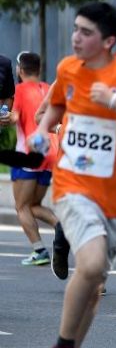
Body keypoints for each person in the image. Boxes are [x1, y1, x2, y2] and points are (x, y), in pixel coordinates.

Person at [29, 1, 116, 348]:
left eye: (85, 32)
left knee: (93, 285)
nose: (75, 37)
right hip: (73, 183)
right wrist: (44, 127)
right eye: (75, 29)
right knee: (90, 265)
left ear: (108, 41)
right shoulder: (68, 67)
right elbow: (57, 103)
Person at [8, 52, 59, 266]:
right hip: (49, 156)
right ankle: (64, 229)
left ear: (20, 70)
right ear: (39, 69)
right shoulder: (48, 89)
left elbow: (13, 118)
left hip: (27, 156)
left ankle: (39, 250)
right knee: (34, 204)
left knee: (21, 207)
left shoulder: (18, 91)